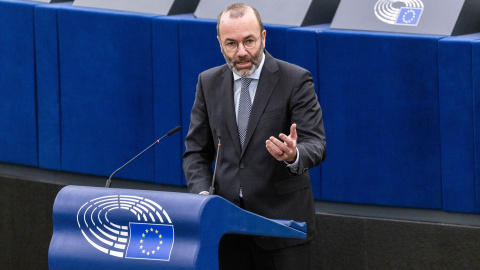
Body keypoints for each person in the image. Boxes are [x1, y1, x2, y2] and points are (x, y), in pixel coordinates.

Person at [183, 3, 326, 270]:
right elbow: (196, 153)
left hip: (282, 231)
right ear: (219, 43)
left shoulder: (294, 79)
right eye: (231, 44)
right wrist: (202, 194)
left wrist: (294, 155)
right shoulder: (208, 82)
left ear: (263, 36)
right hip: (228, 231)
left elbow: (316, 143)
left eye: (249, 41)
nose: (241, 52)